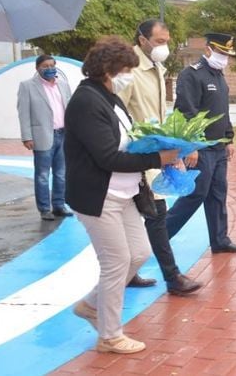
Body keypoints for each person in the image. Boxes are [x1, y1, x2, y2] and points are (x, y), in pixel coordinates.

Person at [65, 36, 180, 354]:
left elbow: (129, 138)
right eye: (127, 69)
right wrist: (159, 159)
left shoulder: (109, 97)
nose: (130, 74)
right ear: (109, 69)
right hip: (99, 196)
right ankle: (109, 335)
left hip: (124, 192)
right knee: (116, 262)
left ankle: (91, 305)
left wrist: (164, 145)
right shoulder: (86, 101)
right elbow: (107, 157)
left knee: (139, 252)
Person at [117, 19, 203, 296]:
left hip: (154, 154)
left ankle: (132, 273)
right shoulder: (128, 70)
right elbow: (117, 113)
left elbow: (158, 116)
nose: (164, 47)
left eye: (167, 41)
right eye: (160, 41)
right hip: (134, 156)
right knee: (154, 214)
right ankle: (173, 277)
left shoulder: (156, 68)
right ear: (142, 39)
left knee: (150, 215)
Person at [165, 33, 236, 254]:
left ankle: (220, 240)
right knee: (195, 195)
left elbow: (223, 112)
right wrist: (191, 146)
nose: (225, 58)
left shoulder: (219, 77)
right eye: (221, 53)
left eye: (227, 54)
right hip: (201, 150)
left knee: (218, 194)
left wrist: (229, 138)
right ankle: (160, 236)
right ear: (208, 49)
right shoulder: (191, 75)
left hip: (219, 149)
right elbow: (185, 113)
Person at [17, 55, 73, 221]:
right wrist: (26, 136)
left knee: (61, 173)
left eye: (52, 65)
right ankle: (44, 209)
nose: (49, 68)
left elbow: (69, 109)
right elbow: (23, 113)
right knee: (42, 175)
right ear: (37, 68)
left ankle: (59, 205)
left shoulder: (63, 85)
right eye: (45, 66)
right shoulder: (27, 86)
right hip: (42, 136)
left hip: (63, 134)